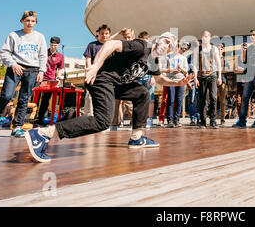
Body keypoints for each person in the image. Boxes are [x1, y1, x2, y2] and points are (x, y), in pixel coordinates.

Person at [24, 32, 194, 163]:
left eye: (171, 46)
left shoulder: (154, 62)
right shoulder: (142, 46)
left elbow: (158, 79)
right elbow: (111, 44)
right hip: (101, 78)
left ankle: (137, 137)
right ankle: (43, 134)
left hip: (117, 85)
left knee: (141, 92)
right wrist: (96, 66)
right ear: (158, 40)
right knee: (102, 121)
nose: (167, 46)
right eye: (166, 41)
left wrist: (178, 84)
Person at [0, 11, 47, 139]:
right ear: (22, 21)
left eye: (32, 21)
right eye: (27, 20)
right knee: (6, 96)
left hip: (32, 70)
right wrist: (13, 64)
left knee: (24, 98)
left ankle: (17, 127)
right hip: (15, 68)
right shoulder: (14, 35)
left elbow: (43, 55)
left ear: (35, 22)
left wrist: (41, 71)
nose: (29, 23)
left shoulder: (40, 37)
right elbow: (5, 52)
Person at [233, 30, 255, 128]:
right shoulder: (249, 48)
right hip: (249, 76)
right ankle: (242, 121)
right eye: (250, 35)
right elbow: (245, 62)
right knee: (245, 98)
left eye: (254, 35)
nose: (252, 36)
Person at [193, 31, 222, 128]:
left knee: (213, 98)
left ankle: (213, 120)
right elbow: (195, 64)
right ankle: (203, 121)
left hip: (212, 75)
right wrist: (195, 78)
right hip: (201, 76)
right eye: (203, 36)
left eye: (206, 36)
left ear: (210, 38)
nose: (204, 38)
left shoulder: (214, 49)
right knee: (202, 99)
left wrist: (219, 77)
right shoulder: (197, 49)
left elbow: (218, 64)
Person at [83, 25, 111, 116]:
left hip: (107, 76)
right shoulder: (92, 45)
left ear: (109, 34)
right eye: (102, 33)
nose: (104, 35)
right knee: (90, 97)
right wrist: (89, 72)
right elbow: (88, 59)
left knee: (106, 98)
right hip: (93, 76)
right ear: (98, 34)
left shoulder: (111, 46)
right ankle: (88, 117)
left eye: (106, 33)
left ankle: (103, 118)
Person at [36, 37, 64, 125]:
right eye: (51, 45)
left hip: (51, 80)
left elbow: (60, 68)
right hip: (40, 78)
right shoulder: (43, 52)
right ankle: (31, 117)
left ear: (58, 45)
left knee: (45, 100)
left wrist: (58, 78)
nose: (53, 47)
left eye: (55, 45)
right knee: (35, 98)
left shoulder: (60, 56)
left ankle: (40, 118)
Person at [111, 29, 135, 131]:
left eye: (129, 37)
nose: (127, 39)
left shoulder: (135, 48)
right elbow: (108, 42)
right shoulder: (119, 47)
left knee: (129, 102)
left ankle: (134, 124)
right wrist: (117, 33)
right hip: (117, 77)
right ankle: (114, 124)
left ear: (133, 38)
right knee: (116, 102)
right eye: (125, 37)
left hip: (129, 78)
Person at [161, 43, 188, 127]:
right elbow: (162, 69)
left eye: (177, 48)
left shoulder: (183, 58)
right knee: (171, 100)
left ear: (179, 48)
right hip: (170, 80)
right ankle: (169, 120)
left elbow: (186, 71)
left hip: (180, 80)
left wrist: (181, 69)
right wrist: (171, 70)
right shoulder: (167, 57)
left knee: (179, 100)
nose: (175, 49)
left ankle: (176, 119)